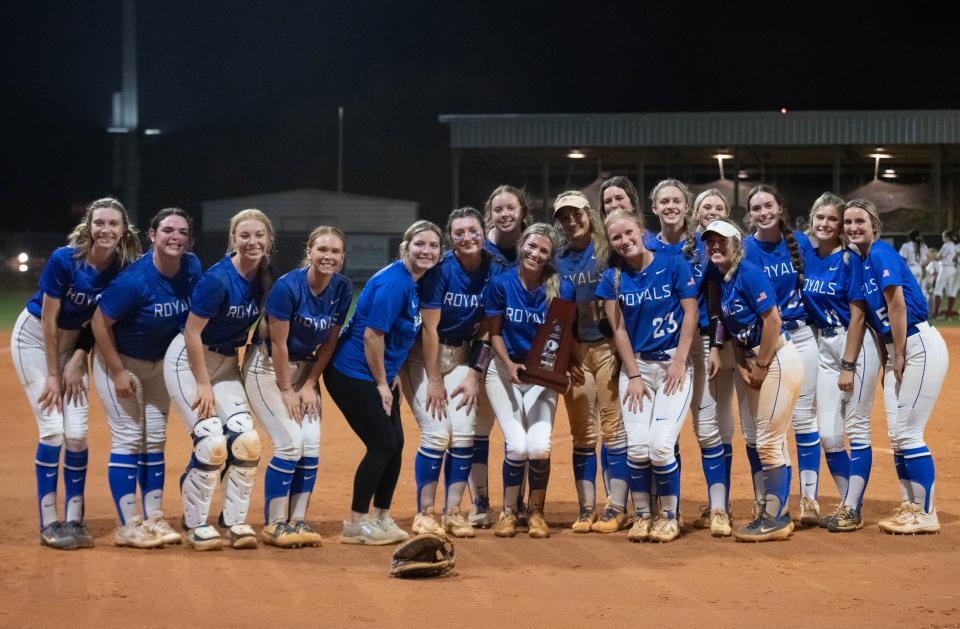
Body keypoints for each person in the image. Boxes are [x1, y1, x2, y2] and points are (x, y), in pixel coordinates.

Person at [12, 197, 140, 549]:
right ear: (88, 227)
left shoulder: (121, 267)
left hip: (71, 351)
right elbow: (50, 320)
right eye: (99, 223)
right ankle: (49, 522)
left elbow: (98, 320)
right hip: (36, 340)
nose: (106, 230)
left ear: (123, 230)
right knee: (53, 431)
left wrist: (77, 356)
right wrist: (54, 374)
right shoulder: (64, 260)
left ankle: (74, 518)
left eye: (113, 224)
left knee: (79, 435)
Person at [92, 207, 203, 548]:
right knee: (129, 438)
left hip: (159, 366)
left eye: (182, 232)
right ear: (153, 235)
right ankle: (128, 526)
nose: (176, 237)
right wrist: (117, 371)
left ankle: (153, 517)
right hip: (123, 363)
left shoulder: (192, 267)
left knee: (154, 440)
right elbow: (99, 322)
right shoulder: (134, 281)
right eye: (168, 230)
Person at [162, 209, 273, 550]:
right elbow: (193, 333)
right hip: (189, 361)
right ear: (233, 239)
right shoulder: (218, 279)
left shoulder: (265, 276)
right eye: (244, 235)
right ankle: (196, 524)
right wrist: (203, 384)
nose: (252, 242)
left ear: (269, 240)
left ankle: (234, 520)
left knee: (247, 441)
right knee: (211, 443)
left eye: (259, 235)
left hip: (225, 361)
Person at [327, 220, 442, 544]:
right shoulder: (396, 284)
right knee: (382, 444)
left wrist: (388, 377)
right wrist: (381, 381)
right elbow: (372, 336)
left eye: (433, 246)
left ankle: (381, 517)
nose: (426, 250)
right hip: (353, 375)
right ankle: (356, 522)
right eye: (420, 243)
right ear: (405, 247)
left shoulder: (413, 281)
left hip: (377, 375)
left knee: (396, 445)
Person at [399, 207, 505, 539]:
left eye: (473, 230)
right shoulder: (441, 270)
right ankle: (424, 513)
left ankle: (454, 512)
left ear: (484, 232)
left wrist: (475, 373)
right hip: (424, 357)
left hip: (462, 356)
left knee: (464, 431)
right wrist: (433, 380)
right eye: (459, 233)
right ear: (451, 239)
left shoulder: (495, 270)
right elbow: (429, 330)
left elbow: (490, 326)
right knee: (435, 433)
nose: (467, 237)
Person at [843, 199, 948, 534]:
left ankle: (926, 513)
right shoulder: (859, 262)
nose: (852, 227)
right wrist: (889, 354)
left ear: (874, 224)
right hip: (897, 349)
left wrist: (898, 354)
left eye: (860, 221)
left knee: (909, 433)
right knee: (896, 435)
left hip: (917, 344)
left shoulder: (880, 254)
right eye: (848, 222)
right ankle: (910, 506)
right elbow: (869, 319)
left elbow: (897, 306)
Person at [244, 225, 352, 547]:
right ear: (309, 252)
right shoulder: (287, 287)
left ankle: (298, 520)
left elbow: (330, 342)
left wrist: (310, 383)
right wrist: (288, 390)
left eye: (335, 251)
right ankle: (275, 522)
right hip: (267, 368)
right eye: (322, 250)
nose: (328, 257)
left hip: (306, 371)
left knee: (310, 443)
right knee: (290, 442)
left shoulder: (342, 288)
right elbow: (278, 345)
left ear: (342, 257)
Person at [597, 210, 698, 543]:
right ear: (611, 243)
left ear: (641, 230)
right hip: (638, 369)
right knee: (637, 448)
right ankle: (642, 515)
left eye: (629, 233)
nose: (625, 241)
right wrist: (633, 373)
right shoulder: (611, 278)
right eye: (617, 238)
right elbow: (619, 330)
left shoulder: (672, 263)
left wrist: (680, 361)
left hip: (672, 366)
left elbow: (690, 312)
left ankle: (669, 516)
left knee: (660, 446)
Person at [703, 218, 803, 542]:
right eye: (710, 242)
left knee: (768, 441)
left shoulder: (748, 271)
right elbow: (731, 327)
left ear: (737, 245)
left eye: (722, 241)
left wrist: (759, 365)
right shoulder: (722, 277)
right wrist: (744, 361)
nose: (715, 246)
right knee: (770, 439)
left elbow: (772, 320)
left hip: (777, 358)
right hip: (759, 359)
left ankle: (772, 517)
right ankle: (779, 512)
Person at [485, 223, 574, 539]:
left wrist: (564, 367)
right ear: (522, 245)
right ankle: (509, 511)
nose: (535, 254)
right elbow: (494, 332)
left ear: (550, 257)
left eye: (543, 251)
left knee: (538, 448)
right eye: (531, 246)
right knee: (517, 446)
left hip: (541, 378)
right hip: (504, 374)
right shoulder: (500, 284)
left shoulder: (560, 288)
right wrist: (508, 363)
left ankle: (536, 512)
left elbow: (563, 337)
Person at [801, 194, 881, 532]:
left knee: (856, 427)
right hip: (824, 346)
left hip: (856, 344)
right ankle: (852, 503)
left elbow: (859, 315)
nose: (825, 224)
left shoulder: (849, 260)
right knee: (829, 434)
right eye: (820, 217)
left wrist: (848, 364)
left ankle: (850, 508)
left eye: (833, 219)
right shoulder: (806, 255)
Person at [742, 184, 821, 525]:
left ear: (780, 207)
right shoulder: (745, 248)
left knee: (804, 420)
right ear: (750, 214)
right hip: (763, 341)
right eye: (756, 208)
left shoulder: (800, 243)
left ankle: (810, 500)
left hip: (800, 338)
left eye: (768, 205)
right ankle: (772, 501)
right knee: (769, 426)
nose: (763, 212)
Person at [551, 191, 625, 534]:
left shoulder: (608, 249)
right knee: (583, 433)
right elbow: (555, 314)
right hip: (577, 352)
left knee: (614, 430)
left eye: (575, 214)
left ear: (588, 213)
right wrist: (564, 355)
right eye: (563, 217)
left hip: (609, 347)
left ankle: (616, 506)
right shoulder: (559, 259)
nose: (571, 221)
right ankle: (585, 508)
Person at [688, 189, 738, 537]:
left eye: (719, 207)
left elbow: (719, 305)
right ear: (697, 213)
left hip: (718, 342)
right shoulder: (689, 249)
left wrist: (717, 345)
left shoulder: (729, 250)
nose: (712, 211)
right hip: (688, 343)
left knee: (716, 425)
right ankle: (718, 502)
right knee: (708, 425)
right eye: (706, 207)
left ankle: (720, 507)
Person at [483, 185, 531, 264]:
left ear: (523, 212)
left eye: (511, 208)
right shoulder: (480, 247)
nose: (504, 214)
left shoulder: (536, 247)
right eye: (498, 210)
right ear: (490, 214)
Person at [932, 230, 958, 318]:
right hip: (952, 268)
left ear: (947, 237)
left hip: (945, 268)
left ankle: (936, 314)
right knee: (950, 292)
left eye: (943, 236)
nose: (942, 238)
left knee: (937, 291)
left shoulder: (946, 245)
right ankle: (949, 315)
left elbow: (939, 258)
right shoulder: (954, 245)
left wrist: (931, 256)